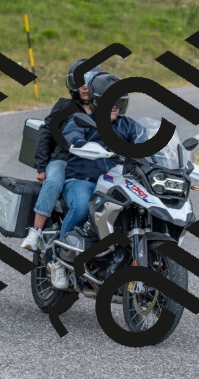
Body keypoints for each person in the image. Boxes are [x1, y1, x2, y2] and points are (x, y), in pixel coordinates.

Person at [47, 72, 146, 288]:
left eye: (118, 102)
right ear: (96, 101)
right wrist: (80, 143)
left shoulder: (128, 126)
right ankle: (57, 261)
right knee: (82, 206)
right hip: (82, 179)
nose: (114, 106)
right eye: (109, 102)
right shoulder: (83, 120)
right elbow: (71, 135)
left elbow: (145, 142)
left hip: (114, 182)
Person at [21, 59, 102, 251]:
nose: (84, 87)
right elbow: (46, 133)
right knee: (54, 181)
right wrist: (41, 167)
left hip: (92, 166)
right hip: (63, 160)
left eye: (89, 81)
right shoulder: (65, 106)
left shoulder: (105, 111)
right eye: (80, 82)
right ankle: (36, 232)